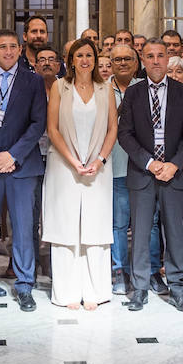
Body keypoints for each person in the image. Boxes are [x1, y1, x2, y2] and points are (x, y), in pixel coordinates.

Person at [118, 39, 183, 313]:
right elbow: (124, 134)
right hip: (143, 172)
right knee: (140, 233)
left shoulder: (182, 92)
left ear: (168, 59)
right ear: (143, 59)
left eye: (160, 56)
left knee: (175, 233)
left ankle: (178, 289)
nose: (155, 61)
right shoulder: (134, 92)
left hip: (174, 173)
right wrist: (150, 163)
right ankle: (139, 289)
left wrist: (174, 164)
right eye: (150, 56)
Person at [43, 38, 119, 310]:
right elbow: (52, 129)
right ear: (70, 60)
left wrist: (99, 160)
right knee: (66, 226)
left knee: (95, 226)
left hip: (97, 168)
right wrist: (73, 161)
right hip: (65, 165)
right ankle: (67, 292)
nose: (85, 60)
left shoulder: (105, 88)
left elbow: (113, 128)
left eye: (89, 55)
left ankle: (95, 291)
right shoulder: (59, 86)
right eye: (79, 55)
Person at [0, 30, 47, 311]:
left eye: (12, 47)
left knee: (24, 229)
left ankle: (25, 284)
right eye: (2, 47)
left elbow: (38, 123)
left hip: (22, 166)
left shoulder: (33, 81)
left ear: (20, 50)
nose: (7, 52)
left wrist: (13, 155)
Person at [107, 43, 139, 295]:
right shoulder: (103, 88)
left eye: (128, 59)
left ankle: (145, 271)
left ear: (136, 62)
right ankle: (119, 269)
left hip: (142, 166)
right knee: (118, 223)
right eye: (117, 59)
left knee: (146, 224)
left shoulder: (145, 87)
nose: (123, 63)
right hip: (116, 164)